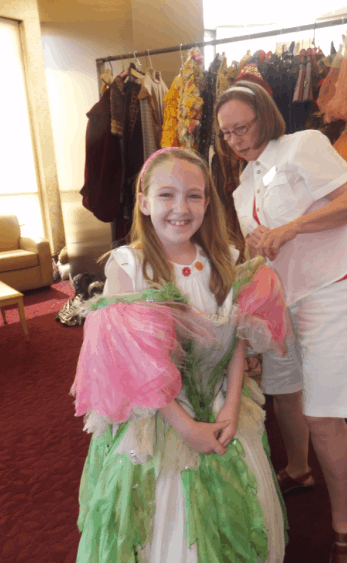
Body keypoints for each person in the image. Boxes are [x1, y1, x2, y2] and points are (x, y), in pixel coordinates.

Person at [71, 146, 291, 563]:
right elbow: (137, 370)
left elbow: (236, 338)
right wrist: (188, 427)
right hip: (161, 420)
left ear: (208, 202)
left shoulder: (225, 260)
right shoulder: (128, 267)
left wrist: (229, 407)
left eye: (193, 195)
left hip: (222, 407)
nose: (180, 208)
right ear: (143, 201)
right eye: (166, 195)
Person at [216, 81, 347, 563]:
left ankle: (345, 521)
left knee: (321, 416)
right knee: (285, 392)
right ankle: (299, 470)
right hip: (283, 299)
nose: (237, 139)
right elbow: (257, 251)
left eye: (242, 126)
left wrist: (292, 227)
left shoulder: (305, 145)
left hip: (332, 288)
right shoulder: (242, 189)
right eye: (226, 134)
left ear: (264, 114)